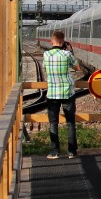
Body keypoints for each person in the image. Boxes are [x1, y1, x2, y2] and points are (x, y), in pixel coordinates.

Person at [42, 31, 80, 159]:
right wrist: (70, 51)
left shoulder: (46, 54)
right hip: (67, 92)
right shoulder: (67, 54)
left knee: (53, 123)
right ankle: (72, 152)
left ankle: (54, 151)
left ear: (52, 41)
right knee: (70, 122)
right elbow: (77, 68)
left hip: (52, 93)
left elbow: (45, 68)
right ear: (63, 42)